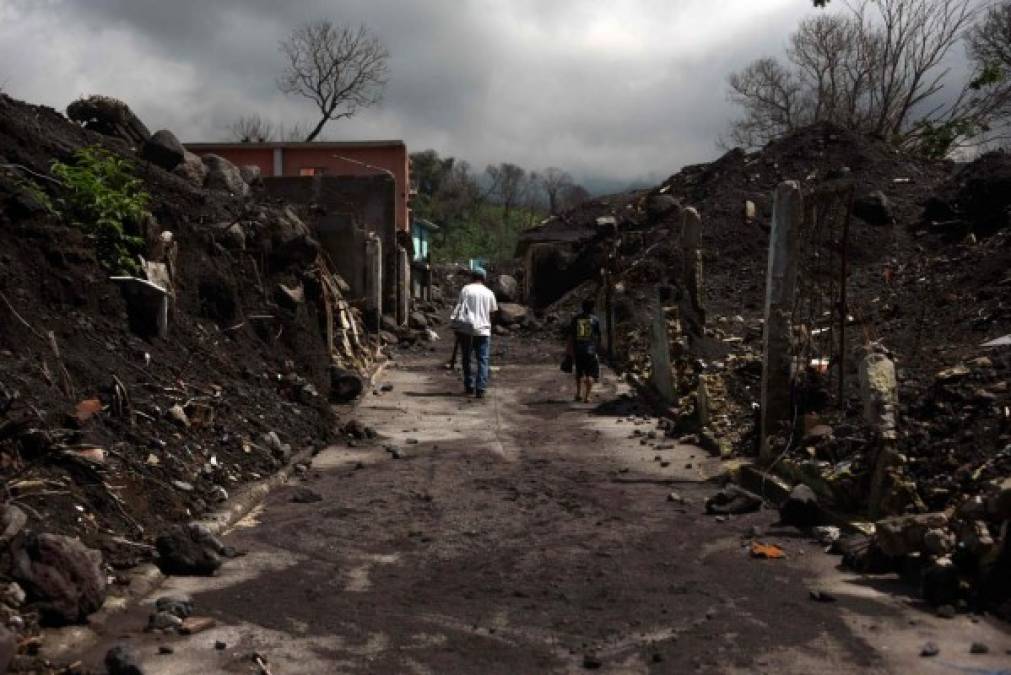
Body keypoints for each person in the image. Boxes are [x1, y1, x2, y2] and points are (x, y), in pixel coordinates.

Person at [450, 268, 498, 397]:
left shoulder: (466, 289)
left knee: (467, 358)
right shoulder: (489, 293)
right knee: (483, 360)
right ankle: (480, 388)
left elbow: (459, 308)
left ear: (472, 277)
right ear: (484, 278)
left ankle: (469, 386)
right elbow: (493, 313)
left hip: (467, 330)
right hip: (483, 331)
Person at [567, 299, 601, 402]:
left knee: (579, 373)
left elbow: (571, 336)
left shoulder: (576, 319)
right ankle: (587, 397)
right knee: (590, 374)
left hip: (578, 350)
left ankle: (578, 394)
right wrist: (597, 348)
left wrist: (569, 350)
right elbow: (598, 336)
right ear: (592, 308)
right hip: (590, 350)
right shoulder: (595, 320)